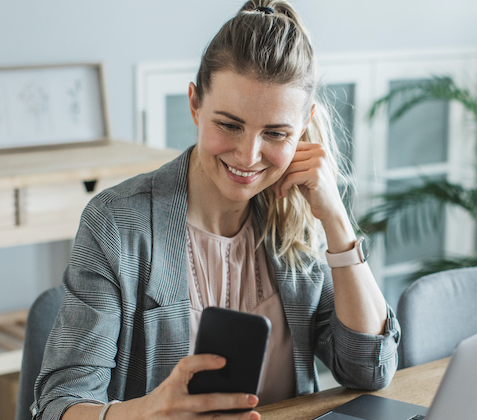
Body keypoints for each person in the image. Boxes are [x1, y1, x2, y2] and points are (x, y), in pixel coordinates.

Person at [33, 1, 400, 419]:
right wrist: (147, 413)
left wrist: (336, 219)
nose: (248, 155)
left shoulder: (297, 216)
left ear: (303, 127)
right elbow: (57, 406)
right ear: (194, 105)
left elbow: (370, 369)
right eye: (229, 125)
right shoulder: (117, 224)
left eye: (276, 133)